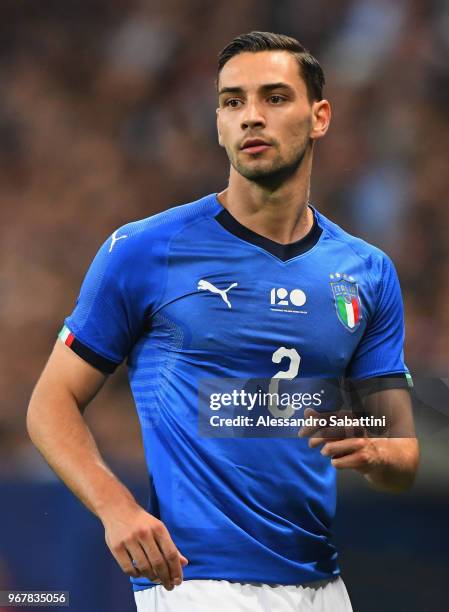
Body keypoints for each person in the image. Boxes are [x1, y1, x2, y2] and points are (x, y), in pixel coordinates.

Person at [27, 31, 419, 612]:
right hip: (197, 582)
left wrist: (377, 453)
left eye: (275, 98)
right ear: (217, 121)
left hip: (324, 586)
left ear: (320, 117)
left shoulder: (366, 271)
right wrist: (117, 509)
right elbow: (49, 403)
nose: (251, 117)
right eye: (233, 101)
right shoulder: (145, 249)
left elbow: (402, 453)